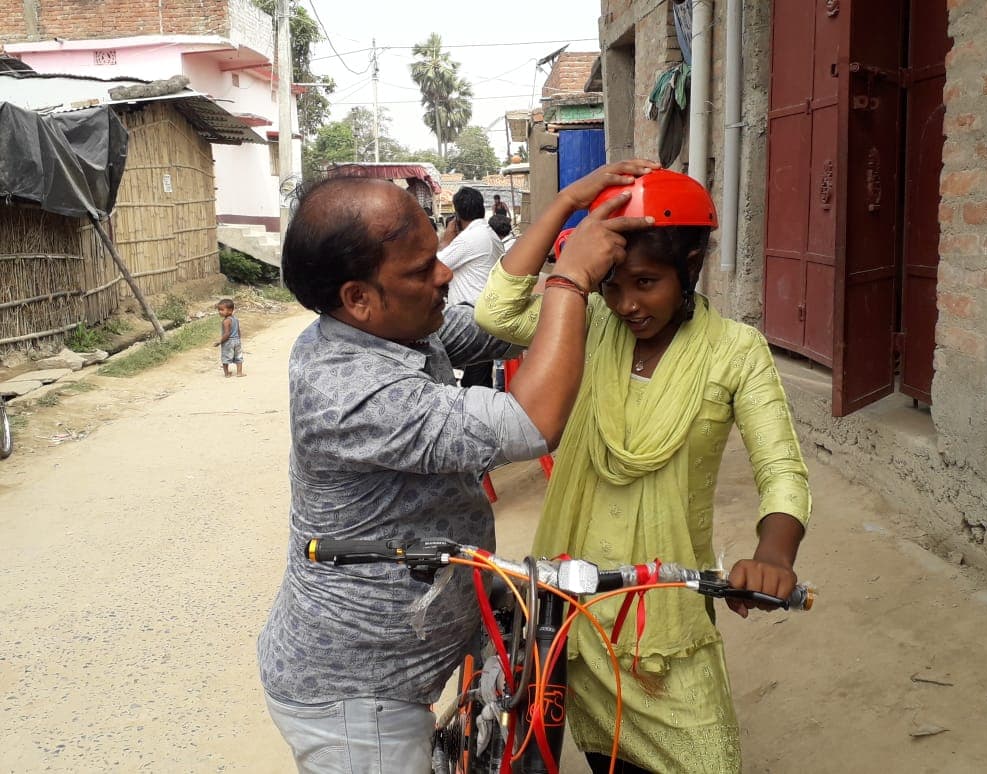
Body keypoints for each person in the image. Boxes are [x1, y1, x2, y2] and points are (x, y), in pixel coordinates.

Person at [256, 162, 657, 774]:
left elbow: (499, 320)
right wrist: (571, 277)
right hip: (356, 691)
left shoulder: (403, 330)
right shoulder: (350, 390)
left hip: (428, 622)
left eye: (436, 252)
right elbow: (532, 421)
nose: (445, 274)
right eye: (421, 270)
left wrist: (565, 206)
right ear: (357, 299)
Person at [474, 168, 812, 774]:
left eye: (647, 283)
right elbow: (497, 311)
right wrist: (569, 205)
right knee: (606, 756)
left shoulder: (735, 350)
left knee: (708, 759)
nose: (626, 304)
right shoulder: (585, 325)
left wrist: (776, 554)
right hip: (574, 604)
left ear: (692, 266)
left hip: (666, 613)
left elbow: (782, 470)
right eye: (611, 285)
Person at [438, 186, 504, 387]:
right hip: (484, 314)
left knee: (474, 383)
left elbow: (436, 267)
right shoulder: (489, 234)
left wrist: (445, 240)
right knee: (479, 379)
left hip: (471, 320)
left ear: (457, 215)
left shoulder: (469, 238)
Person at [213, 298, 243, 377]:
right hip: (237, 341)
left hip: (228, 342)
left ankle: (226, 374)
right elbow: (238, 330)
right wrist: (239, 339)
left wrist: (220, 342)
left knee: (225, 357)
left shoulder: (226, 321)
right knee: (238, 357)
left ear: (230, 310)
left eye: (222, 310)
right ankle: (239, 373)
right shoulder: (235, 319)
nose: (220, 312)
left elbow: (227, 334)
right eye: (219, 310)